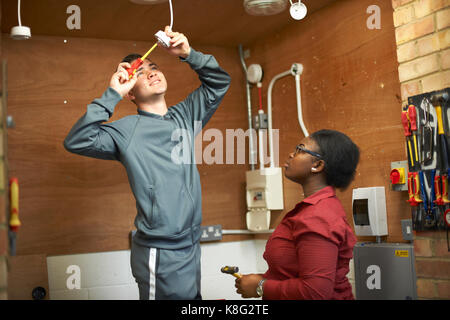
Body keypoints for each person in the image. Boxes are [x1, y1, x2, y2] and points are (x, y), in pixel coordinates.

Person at [64, 26, 231, 300]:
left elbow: (219, 83)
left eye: (153, 67)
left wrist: (188, 54)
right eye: (139, 73)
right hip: (160, 251)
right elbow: (77, 140)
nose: (151, 72)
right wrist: (112, 94)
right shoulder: (126, 130)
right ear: (131, 92)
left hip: (190, 245)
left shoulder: (185, 117)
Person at [235, 129, 360, 300]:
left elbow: (314, 291)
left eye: (300, 150)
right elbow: (297, 275)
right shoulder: (311, 209)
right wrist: (261, 280)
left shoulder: (319, 215)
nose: (291, 154)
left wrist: (261, 286)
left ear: (317, 165)